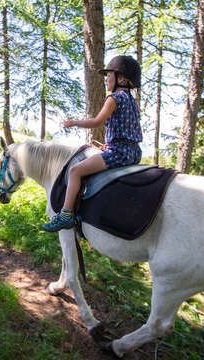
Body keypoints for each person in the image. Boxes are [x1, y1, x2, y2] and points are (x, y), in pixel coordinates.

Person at [43, 55, 143, 232]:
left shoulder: (114, 98)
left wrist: (73, 122)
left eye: (109, 75)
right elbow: (127, 130)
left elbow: (97, 121)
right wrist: (110, 144)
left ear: (121, 78)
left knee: (75, 171)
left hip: (119, 152)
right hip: (134, 152)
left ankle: (65, 215)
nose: (106, 80)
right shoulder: (132, 102)